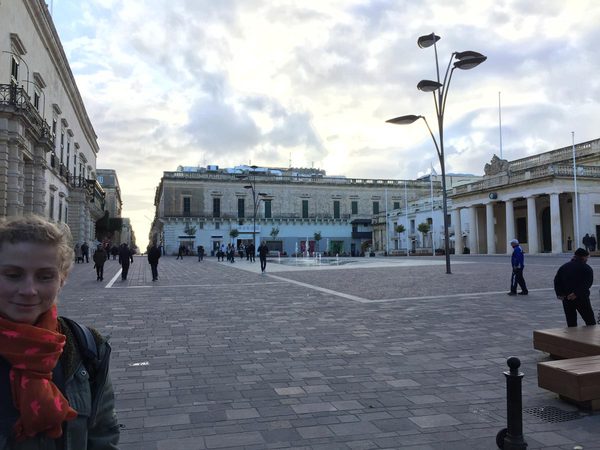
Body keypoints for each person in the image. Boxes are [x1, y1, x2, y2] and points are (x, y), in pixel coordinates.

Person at [0, 215, 119, 448]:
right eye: (13, 275)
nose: (28, 290)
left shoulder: (86, 348)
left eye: (45, 276)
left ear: (62, 279)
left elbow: (103, 435)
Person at [554, 247, 595, 327]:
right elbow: (587, 284)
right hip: (581, 298)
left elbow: (557, 281)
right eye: (587, 257)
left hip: (567, 298)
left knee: (571, 322)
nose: (587, 259)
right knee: (590, 321)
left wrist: (560, 293)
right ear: (583, 257)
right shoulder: (586, 268)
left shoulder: (564, 267)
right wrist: (576, 294)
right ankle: (591, 338)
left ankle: (571, 338)